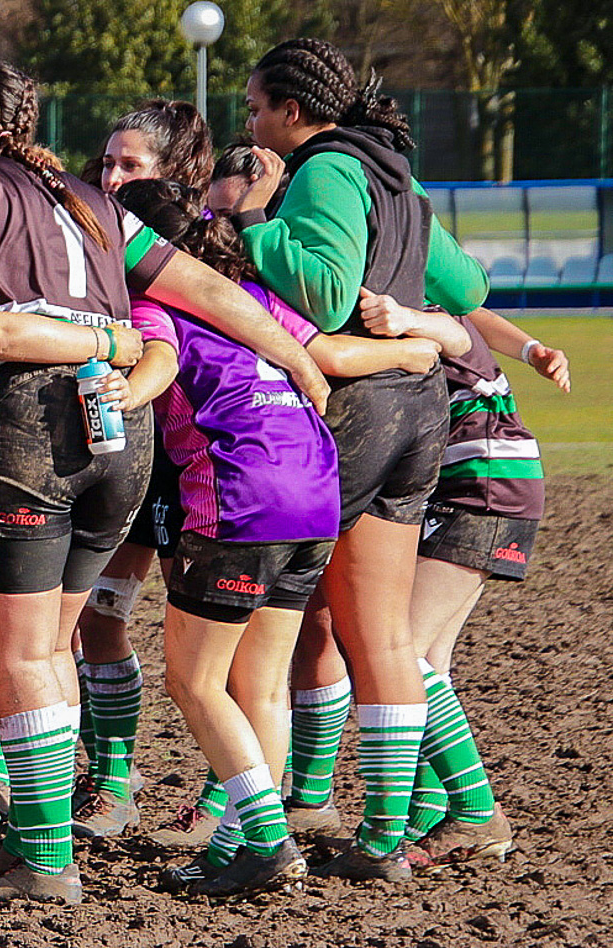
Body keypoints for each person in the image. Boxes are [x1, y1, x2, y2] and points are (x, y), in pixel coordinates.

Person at [0, 61, 329, 907]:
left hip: (24, 429)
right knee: (48, 648)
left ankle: (48, 860)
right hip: (115, 434)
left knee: (17, 653)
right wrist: (292, 352)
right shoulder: (93, 202)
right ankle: (33, 836)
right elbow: (201, 287)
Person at [113, 178, 455, 898]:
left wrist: (124, 391)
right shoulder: (256, 301)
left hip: (241, 501)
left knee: (195, 681)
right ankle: (238, 843)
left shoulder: (151, 306)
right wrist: (412, 350)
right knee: (259, 687)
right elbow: (328, 353)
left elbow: (162, 361)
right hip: (317, 501)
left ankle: (266, 841)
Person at [232, 37, 491, 880]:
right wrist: (414, 317)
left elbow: (325, 292)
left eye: (256, 107)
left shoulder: (325, 169)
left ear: (293, 112)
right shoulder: (397, 174)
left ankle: (251, 820)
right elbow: (469, 287)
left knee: (271, 617)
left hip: (355, 413)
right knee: (375, 631)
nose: (251, 121)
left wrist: (250, 223)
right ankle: (383, 839)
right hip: (421, 413)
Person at [364, 297, 564, 869]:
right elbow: (469, 313)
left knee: (395, 652)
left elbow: (455, 327)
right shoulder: (423, 288)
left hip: (481, 485)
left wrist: (403, 323)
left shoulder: (405, 305)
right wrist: (530, 349)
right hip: (495, 477)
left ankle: (477, 813)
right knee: (426, 658)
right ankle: (431, 813)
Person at [73, 99, 217, 838]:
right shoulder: (97, 238)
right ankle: (113, 785)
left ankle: (227, 802)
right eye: (107, 163)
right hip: (131, 456)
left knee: (222, 653)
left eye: (131, 165)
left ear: (175, 172)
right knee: (98, 619)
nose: (112, 176)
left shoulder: (202, 244)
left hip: (209, 465)